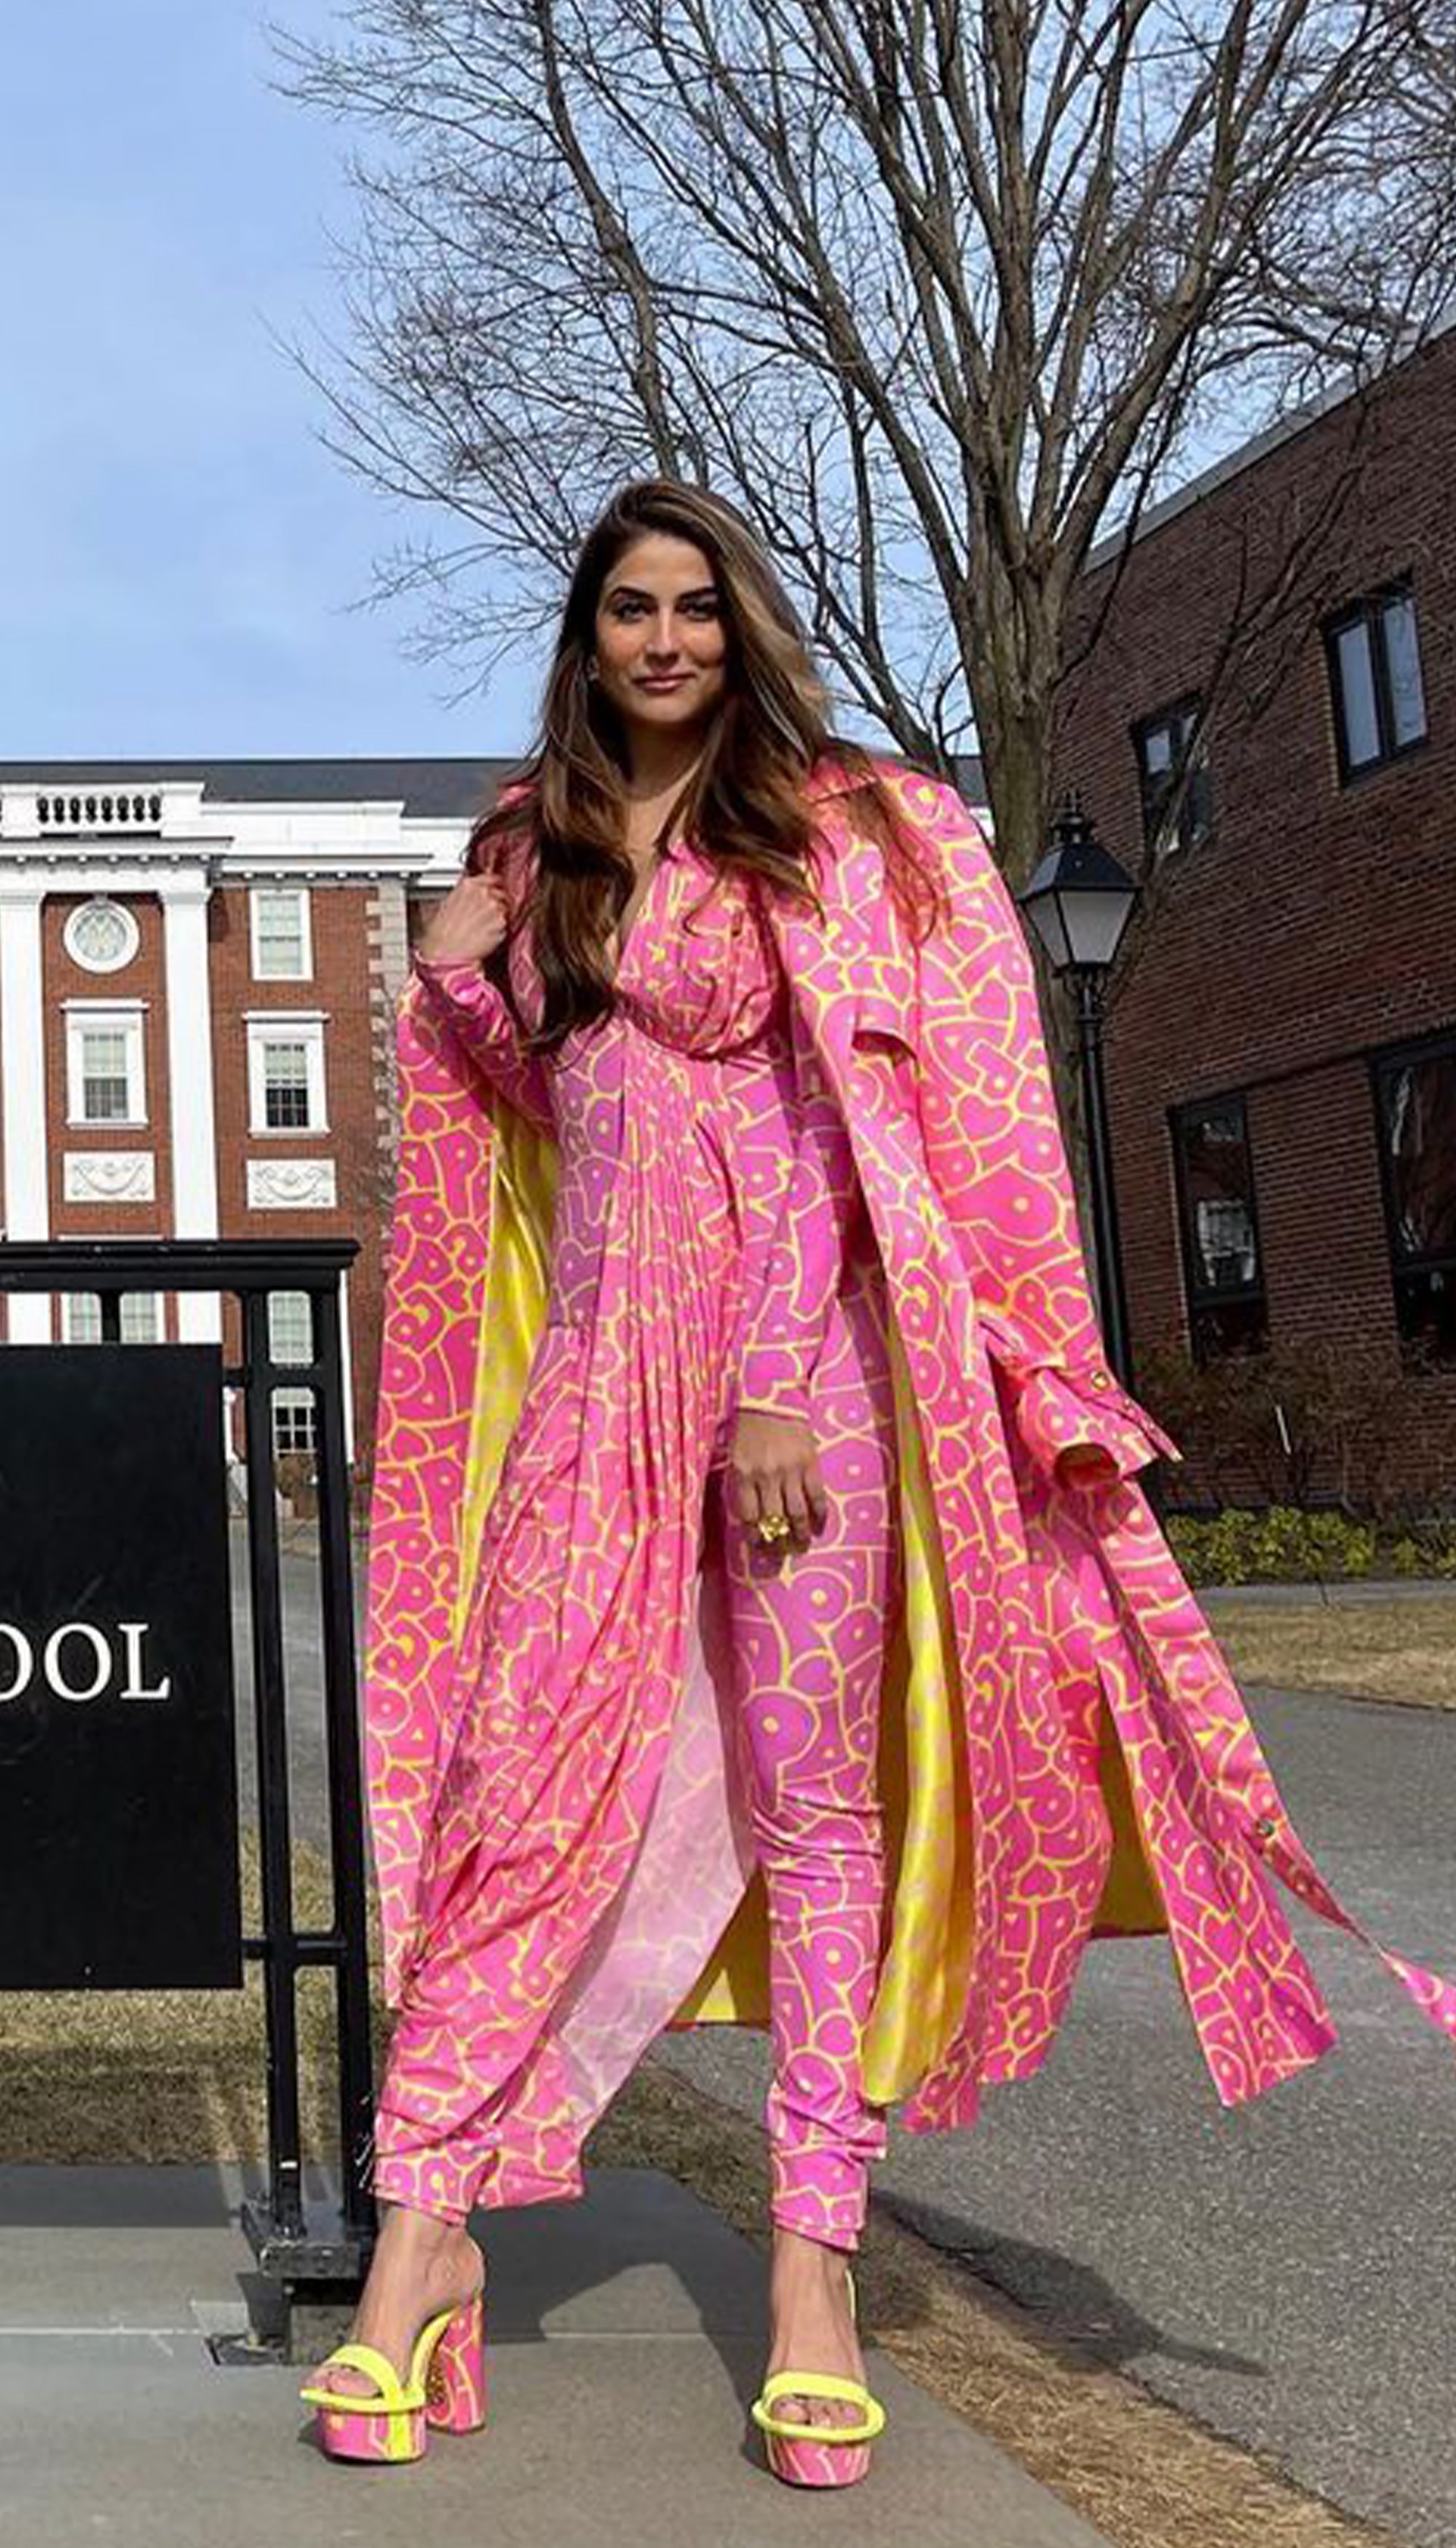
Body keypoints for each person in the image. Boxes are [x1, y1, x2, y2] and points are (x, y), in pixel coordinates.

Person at [301, 479, 1456, 2485]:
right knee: (510, 1785)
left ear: (738, 627)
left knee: (817, 1801)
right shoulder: (535, 846)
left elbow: (857, 1130)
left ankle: (815, 2260)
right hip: (596, 1375)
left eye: (694, 609)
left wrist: (764, 1385)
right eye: (627, 612)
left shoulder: (832, 830)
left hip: (800, 1378)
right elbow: (545, 1130)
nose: (664, 640)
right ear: (588, 642)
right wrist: (455, 973)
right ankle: (426, 2244)